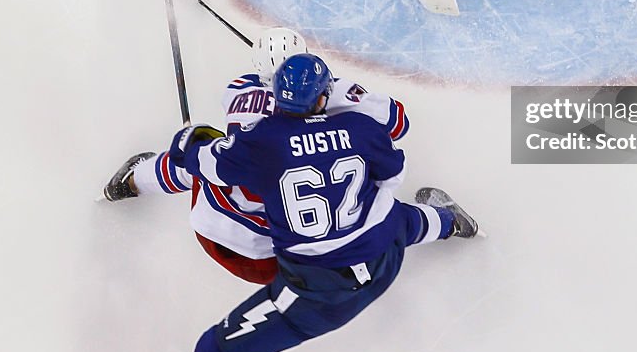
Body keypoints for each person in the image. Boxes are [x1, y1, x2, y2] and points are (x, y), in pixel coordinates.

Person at [169, 52, 479, 352]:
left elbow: (206, 165)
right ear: (322, 97)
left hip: (319, 294)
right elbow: (392, 178)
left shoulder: (259, 142)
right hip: (386, 255)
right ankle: (450, 221)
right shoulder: (359, 127)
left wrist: (187, 143)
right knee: (399, 219)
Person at [101, 27, 412, 285]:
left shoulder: (238, 90)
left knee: (204, 155)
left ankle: (132, 182)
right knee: (356, 172)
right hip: (288, 264)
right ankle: (439, 222)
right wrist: (342, 93)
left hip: (212, 233)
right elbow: (398, 123)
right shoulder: (336, 99)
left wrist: (189, 146)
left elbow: (214, 153)